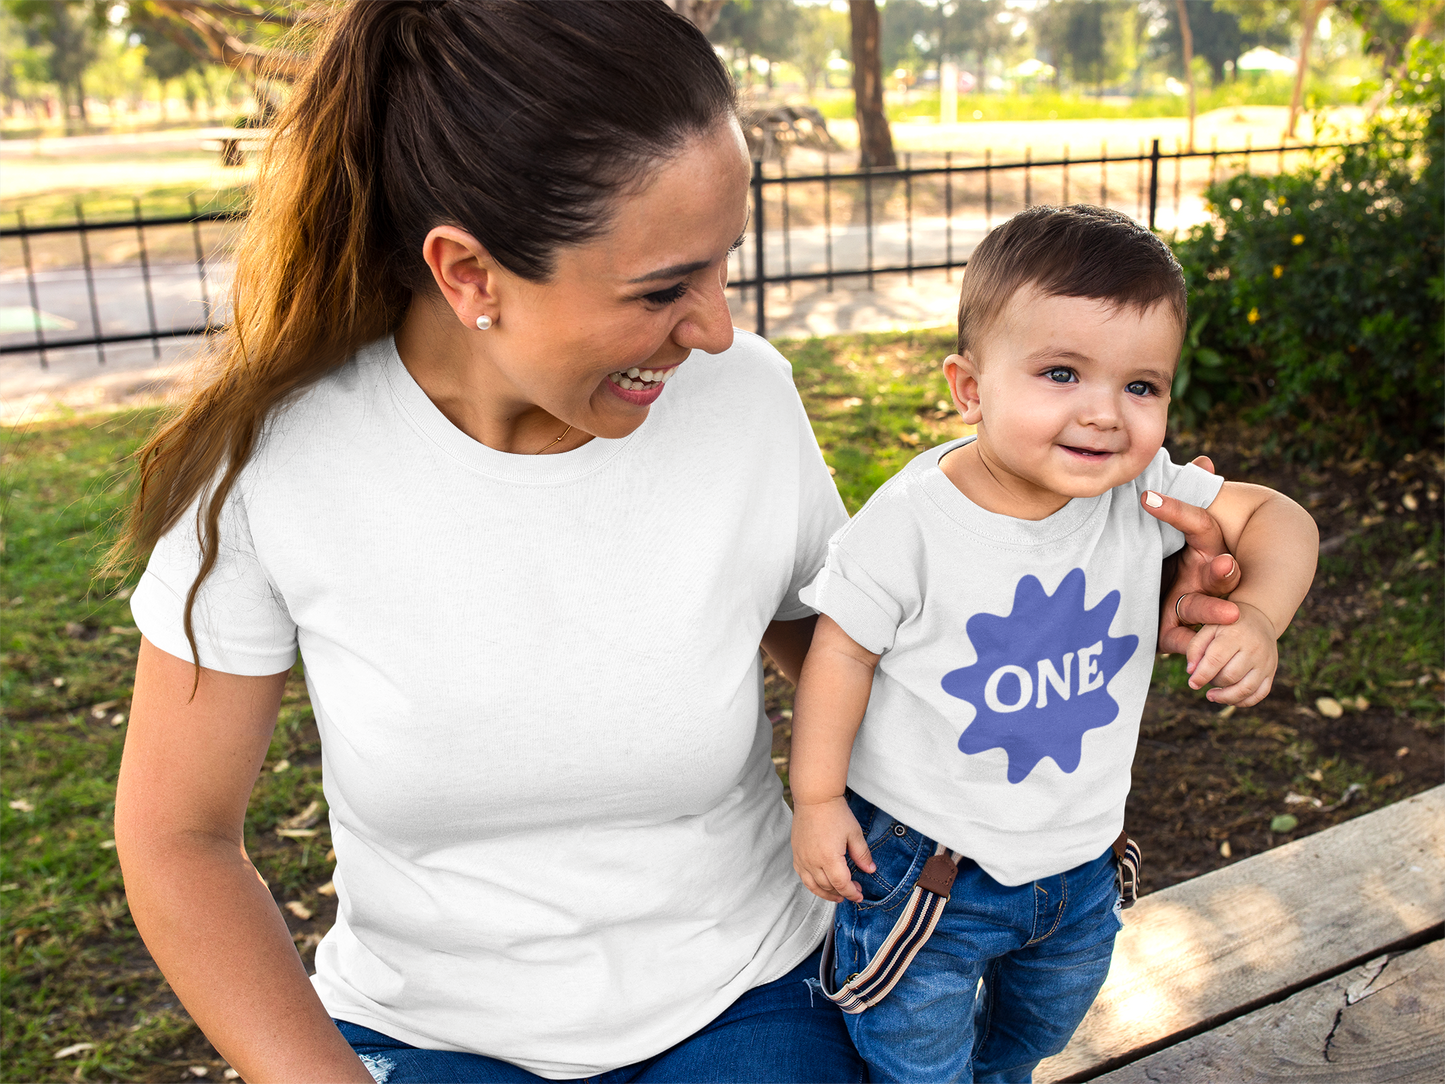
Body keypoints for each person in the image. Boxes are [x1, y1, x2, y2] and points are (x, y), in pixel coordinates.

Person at [109, 3, 1246, 1080]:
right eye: (663, 288)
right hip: (430, 1031)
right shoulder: (278, 465)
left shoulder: (738, 399)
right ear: (468, 274)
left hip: (745, 993)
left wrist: (1110, 597)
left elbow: (873, 654)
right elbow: (178, 840)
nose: (714, 327)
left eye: (720, 265)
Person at [788, 206, 1320, 1084]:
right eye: (1061, 373)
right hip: (933, 869)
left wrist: (1258, 614)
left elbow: (1274, 515)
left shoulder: (1138, 489)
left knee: (1039, 1029)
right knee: (914, 1053)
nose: (1104, 414)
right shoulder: (912, 525)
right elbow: (840, 654)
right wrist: (814, 799)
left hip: (1080, 864)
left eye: (1140, 387)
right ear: (969, 387)